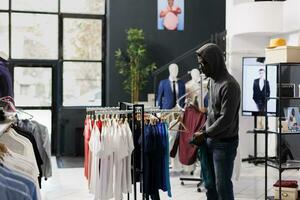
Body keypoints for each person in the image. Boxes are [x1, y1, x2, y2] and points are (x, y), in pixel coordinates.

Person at [192, 43, 241, 200]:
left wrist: (205, 133)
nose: (201, 67)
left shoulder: (230, 85)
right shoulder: (212, 81)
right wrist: (203, 128)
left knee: (223, 187)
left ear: (214, 62)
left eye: (203, 63)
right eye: (200, 64)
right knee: (210, 185)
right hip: (209, 141)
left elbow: (226, 118)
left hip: (224, 144)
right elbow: (212, 111)